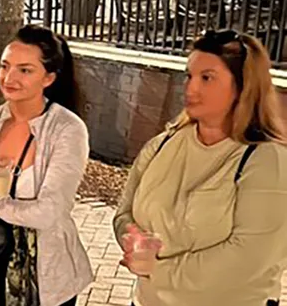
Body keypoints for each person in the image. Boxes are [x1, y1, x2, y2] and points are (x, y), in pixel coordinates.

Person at [113, 29, 287, 306]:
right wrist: (132, 239)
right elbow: (125, 212)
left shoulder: (268, 161)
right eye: (189, 76)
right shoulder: (163, 144)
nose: (191, 88)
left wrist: (158, 269)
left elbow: (250, 259)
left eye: (207, 78)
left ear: (243, 87)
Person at [0, 25, 92, 306]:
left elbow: (49, 212)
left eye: (25, 70)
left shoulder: (67, 129)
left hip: (43, 276)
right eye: (5, 66)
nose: (9, 78)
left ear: (49, 77)